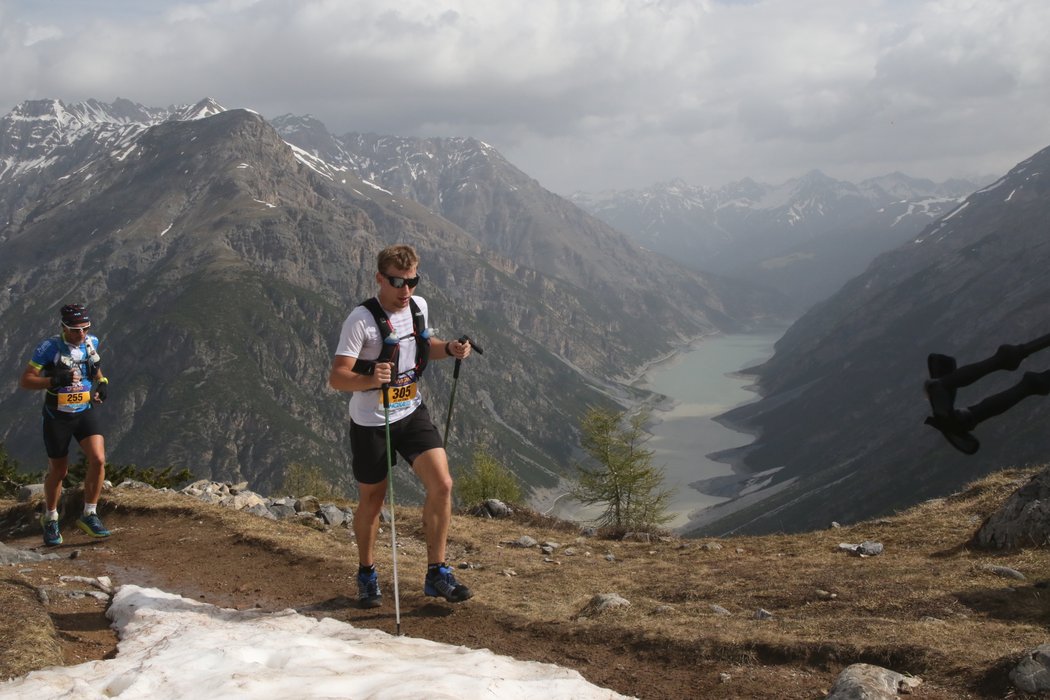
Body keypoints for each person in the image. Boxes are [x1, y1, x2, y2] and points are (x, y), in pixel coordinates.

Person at [329, 244, 474, 608]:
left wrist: (451, 349)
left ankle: (436, 573)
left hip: (410, 411)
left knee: (442, 484)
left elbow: (425, 348)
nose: (405, 289)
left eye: (412, 281)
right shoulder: (360, 320)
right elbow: (337, 377)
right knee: (372, 502)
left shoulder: (418, 308)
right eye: (396, 281)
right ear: (380, 278)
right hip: (371, 422)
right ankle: (366, 573)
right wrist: (370, 379)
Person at [19, 303, 111, 546]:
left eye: (85, 328)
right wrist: (53, 379)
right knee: (59, 471)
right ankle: (50, 518)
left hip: (84, 411)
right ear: (63, 327)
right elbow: (26, 380)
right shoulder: (49, 347)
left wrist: (101, 382)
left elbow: (95, 365)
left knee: (99, 459)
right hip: (57, 416)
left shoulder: (92, 341)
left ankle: (89, 514)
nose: (80, 334)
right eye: (74, 329)